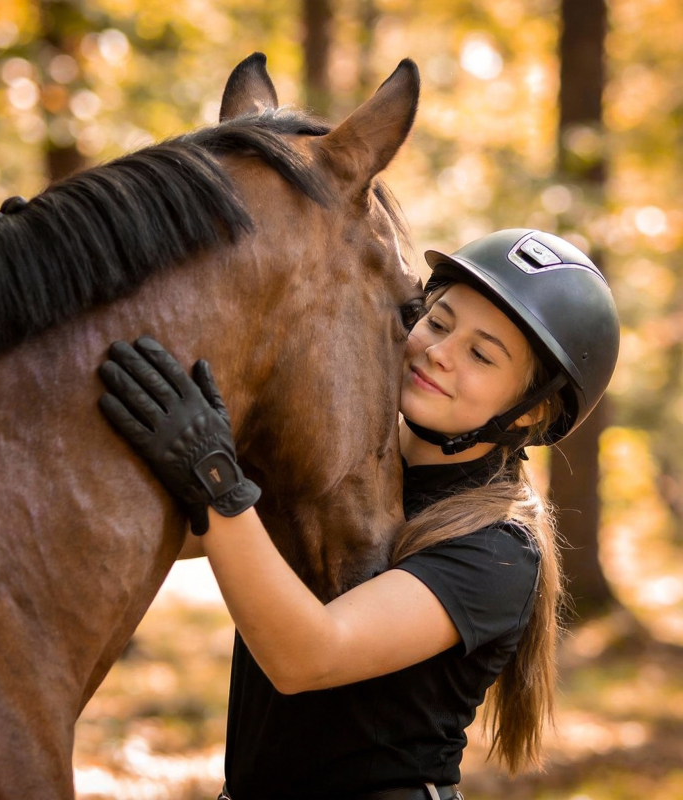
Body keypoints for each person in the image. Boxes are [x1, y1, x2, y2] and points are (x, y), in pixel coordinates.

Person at [98, 229, 620, 800]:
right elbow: (166, 537)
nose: (440, 353)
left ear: (531, 411)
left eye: (480, 354)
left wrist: (215, 479)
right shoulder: (335, 465)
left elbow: (307, 656)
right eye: (439, 323)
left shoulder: (499, 547)